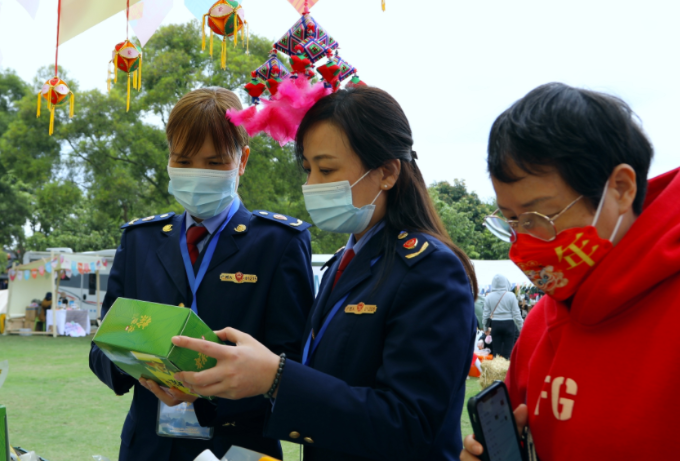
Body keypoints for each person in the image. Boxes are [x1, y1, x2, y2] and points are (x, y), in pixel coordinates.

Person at [172, 86, 478, 461]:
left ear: (386, 172)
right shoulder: (343, 264)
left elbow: (409, 424)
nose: (312, 185)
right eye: (308, 169)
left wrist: (276, 378)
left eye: (327, 169)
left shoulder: (430, 270)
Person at [461, 82, 680, 460]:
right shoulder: (541, 321)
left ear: (620, 189)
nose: (524, 243)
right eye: (510, 221)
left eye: (538, 216)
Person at [89, 87, 314, 461]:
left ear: (242, 160)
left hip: (239, 448)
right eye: (184, 159)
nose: (197, 173)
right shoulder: (140, 240)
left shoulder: (278, 243)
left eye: (214, 162)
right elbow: (102, 345)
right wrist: (138, 370)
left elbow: (294, 364)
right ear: (169, 160)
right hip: (148, 448)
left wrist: (211, 392)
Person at [482, 274, 522, 359]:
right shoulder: (511, 295)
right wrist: (522, 327)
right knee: (508, 352)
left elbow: (485, 315)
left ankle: (496, 370)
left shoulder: (488, 297)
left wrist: (485, 328)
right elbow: (516, 314)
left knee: (496, 352)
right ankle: (507, 370)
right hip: (509, 324)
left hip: (495, 324)